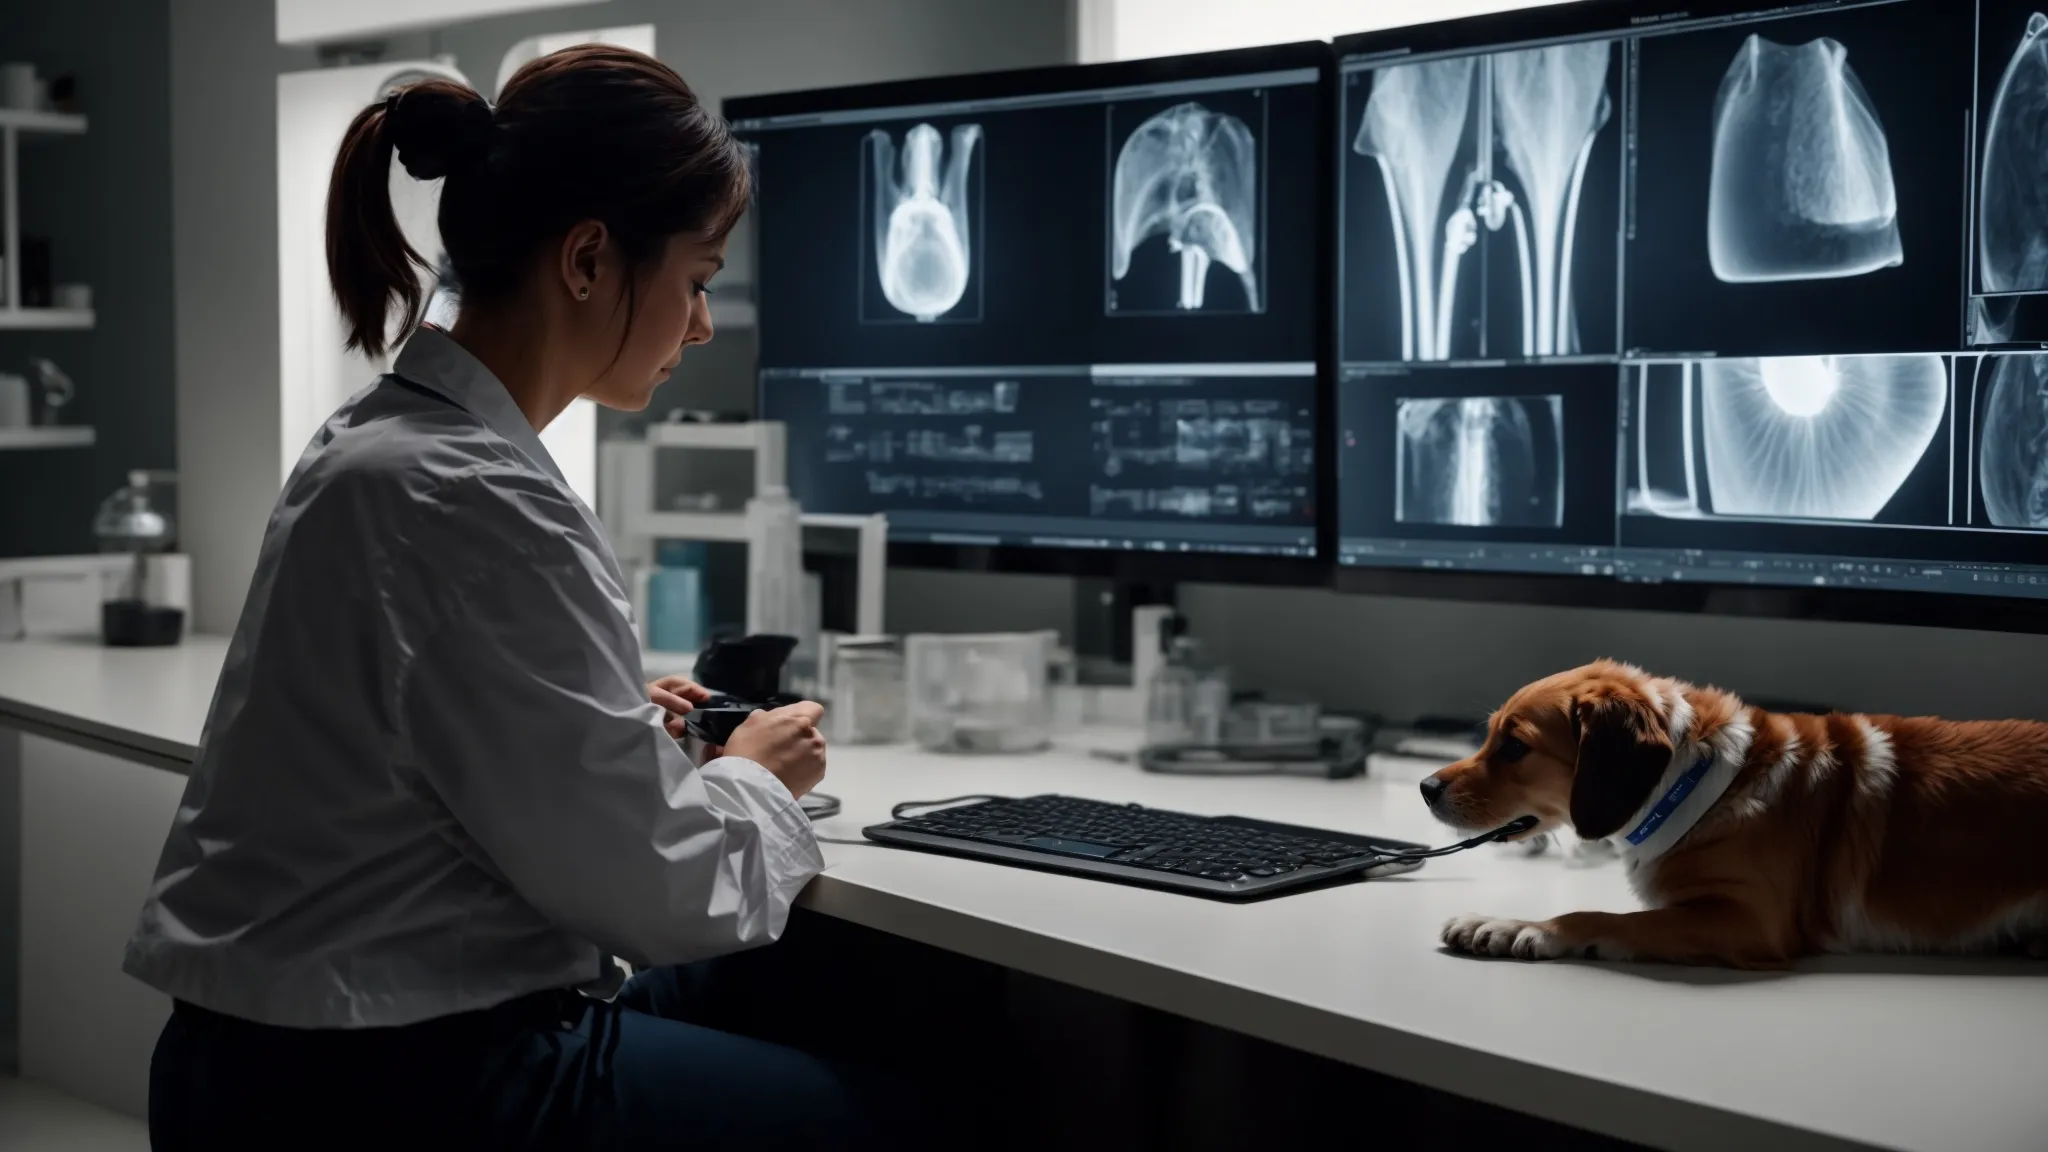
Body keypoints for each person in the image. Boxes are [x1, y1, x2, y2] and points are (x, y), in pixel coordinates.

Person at [124, 45, 862, 1149]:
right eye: (697, 280)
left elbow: (429, 745)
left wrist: (604, 719)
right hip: (387, 1089)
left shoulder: (382, 444)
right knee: (895, 1108)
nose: (701, 326)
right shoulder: (477, 499)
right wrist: (753, 778)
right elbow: (661, 901)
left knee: (807, 996)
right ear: (586, 260)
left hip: (259, 1061)